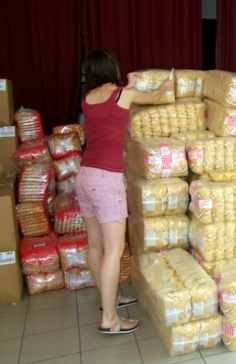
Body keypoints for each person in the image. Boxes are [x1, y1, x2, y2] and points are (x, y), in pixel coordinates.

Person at [75, 48, 173, 334]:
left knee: (96, 246)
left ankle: (110, 299)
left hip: (85, 175)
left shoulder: (87, 99)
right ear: (112, 68)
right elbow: (153, 97)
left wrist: (129, 85)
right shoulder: (122, 94)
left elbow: (112, 105)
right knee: (114, 250)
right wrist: (166, 85)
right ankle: (109, 319)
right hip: (107, 179)